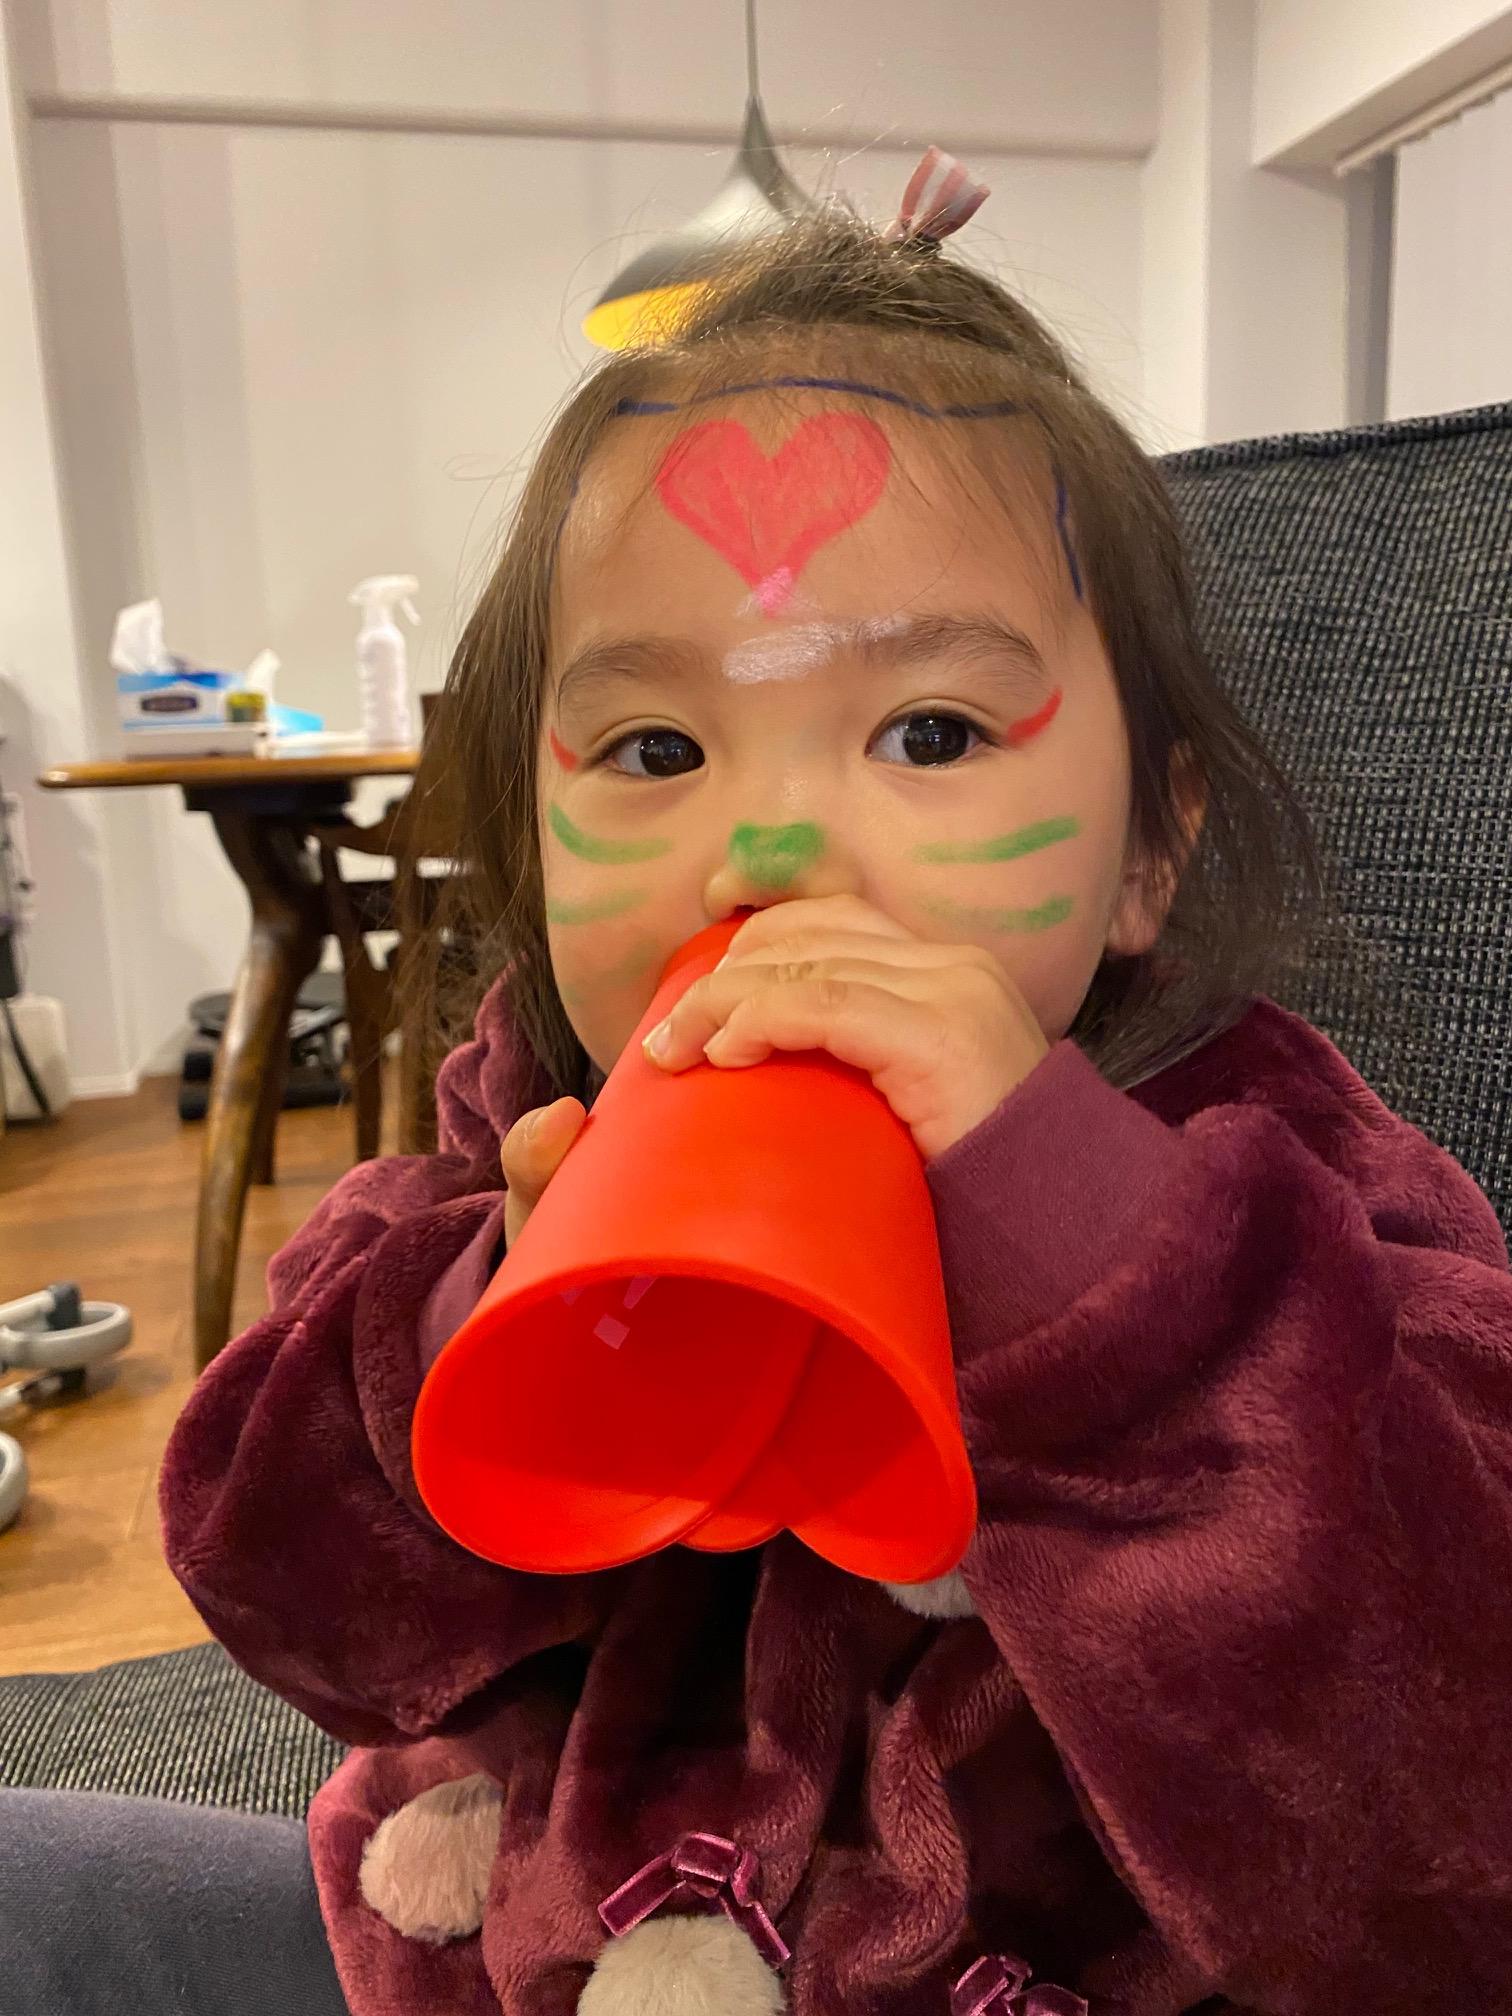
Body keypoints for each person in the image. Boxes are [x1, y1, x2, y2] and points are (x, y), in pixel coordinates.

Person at [11, 153, 1512, 2016]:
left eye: (931, 730)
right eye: (657, 748)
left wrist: (1104, 1280)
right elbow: (286, 1589)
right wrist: (503, 1318)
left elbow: (1449, 1833)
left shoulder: (1268, 1169)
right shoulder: (527, 1123)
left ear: (1148, 851)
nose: (773, 848)